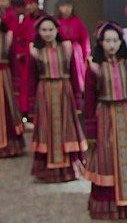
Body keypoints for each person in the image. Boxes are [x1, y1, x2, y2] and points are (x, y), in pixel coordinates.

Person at [83, 21, 127, 219]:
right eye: (107, 41)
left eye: (115, 40)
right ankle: (108, 205)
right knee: (107, 158)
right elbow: (89, 100)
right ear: (100, 43)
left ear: (121, 42)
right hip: (105, 117)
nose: (112, 45)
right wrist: (91, 130)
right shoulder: (94, 66)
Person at [28, 15, 86, 182]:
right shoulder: (35, 50)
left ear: (57, 30)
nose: (48, 33)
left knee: (67, 128)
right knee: (46, 128)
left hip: (65, 92)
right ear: (38, 32)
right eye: (44, 30)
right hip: (44, 92)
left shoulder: (68, 48)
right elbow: (31, 78)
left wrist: (78, 98)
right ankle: (47, 169)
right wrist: (31, 104)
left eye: (51, 30)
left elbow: (74, 74)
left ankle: (70, 168)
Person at [55, 0, 91, 94]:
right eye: (63, 6)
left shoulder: (77, 21)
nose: (66, 9)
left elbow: (85, 39)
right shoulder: (56, 22)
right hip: (61, 51)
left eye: (68, 6)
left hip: (76, 52)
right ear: (59, 8)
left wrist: (86, 55)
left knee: (77, 74)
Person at [0, 15, 25, 157]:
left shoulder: (7, 36)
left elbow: (14, 62)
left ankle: (9, 146)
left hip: (4, 77)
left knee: (6, 110)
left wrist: (16, 85)